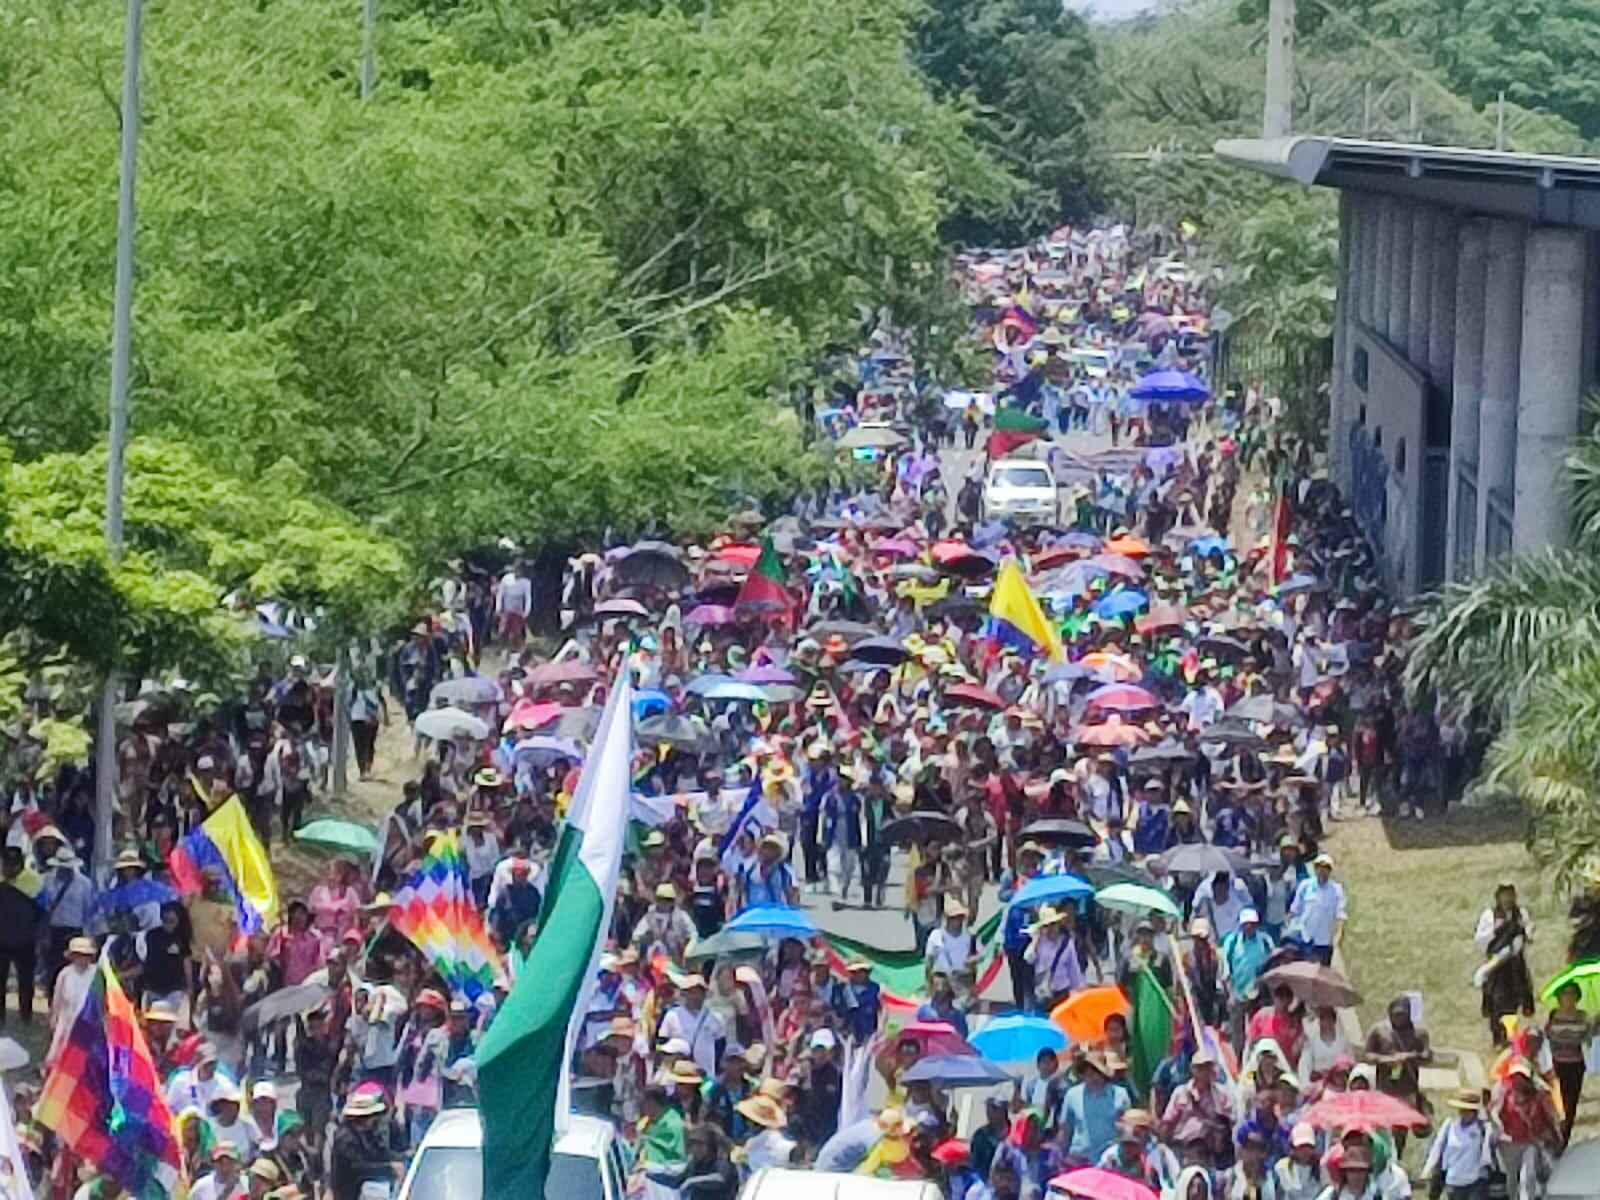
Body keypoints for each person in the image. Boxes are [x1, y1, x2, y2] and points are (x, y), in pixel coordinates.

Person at [1473, 883, 1536, 1046]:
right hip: (1497, 966)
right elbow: (1480, 939)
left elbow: (1529, 935)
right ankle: (1498, 1037)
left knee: (1515, 1000)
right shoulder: (1489, 915)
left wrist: (1526, 930)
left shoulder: (1521, 913)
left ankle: (1511, 1038)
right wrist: (1496, 929)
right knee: (1497, 1001)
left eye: (1510, 895)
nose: (1507, 899)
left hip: (1515, 965)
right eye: (1504, 895)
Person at [1488, 1060, 1561, 1200]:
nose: (1518, 1080)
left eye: (1521, 1076)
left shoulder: (1540, 1096)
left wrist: (1554, 1137)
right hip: (1508, 1143)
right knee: (1511, 1177)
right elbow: (1494, 1115)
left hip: (1531, 1142)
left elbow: (1551, 1118)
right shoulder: (1503, 1093)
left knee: (1528, 1175)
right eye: (1515, 1076)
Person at [1060, 1050, 1131, 1164]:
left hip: (1110, 1159)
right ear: (1083, 1074)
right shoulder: (1072, 1095)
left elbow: (1127, 1129)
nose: (1094, 1077)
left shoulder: (1120, 1094)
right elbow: (1066, 1129)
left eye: (1097, 1072)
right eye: (1089, 1073)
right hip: (1080, 1158)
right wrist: (1062, 1155)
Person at [1421, 1088, 1492, 1200]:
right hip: (1453, 1180)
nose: (1464, 1113)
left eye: (1468, 1110)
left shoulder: (1483, 1128)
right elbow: (1438, 1147)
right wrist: (1428, 1169)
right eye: (1462, 1110)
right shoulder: (1450, 1125)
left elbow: (1487, 1154)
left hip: (1475, 1181)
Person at [328, 1091, 398, 1200]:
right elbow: (358, 1166)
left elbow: (381, 1152)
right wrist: (389, 1168)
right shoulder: (345, 1137)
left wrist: (402, 1157)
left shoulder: (368, 1133)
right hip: (347, 1191)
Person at [1544, 981, 1590, 1145]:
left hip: (1575, 1065)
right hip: (1557, 1065)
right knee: (1556, 1103)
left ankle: (1564, 1139)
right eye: (1565, 993)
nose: (1569, 997)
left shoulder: (1583, 1017)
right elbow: (1546, 1039)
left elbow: (1587, 1040)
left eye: (1572, 993)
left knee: (1570, 1103)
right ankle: (1554, 1136)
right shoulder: (1553, 1017)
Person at [0, 846, 40, 1026]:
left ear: (21, 865)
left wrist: (38, 934)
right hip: (2, 940)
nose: (8, 868)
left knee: (26, 980)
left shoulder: (34, 882)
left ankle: (26, 1016)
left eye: (13, 865)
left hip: (25, 940)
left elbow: (43, 911)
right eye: (6, 864)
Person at [1286, 853, 1346, 966]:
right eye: (1319, 867)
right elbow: (1294, 910)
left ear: (1330, 871)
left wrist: (1338, 936)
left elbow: (1341, 915)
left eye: (1326, 868)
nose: (1322, 871)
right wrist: (1288, 930)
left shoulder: (1336, 890)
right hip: (1303, 939)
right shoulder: (1305, 886)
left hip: (1323, 942)